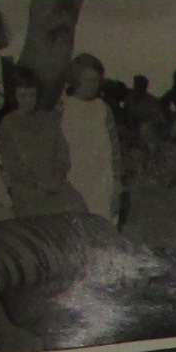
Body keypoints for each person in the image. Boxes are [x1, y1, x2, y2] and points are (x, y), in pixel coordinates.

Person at [0, 70, 82, 215]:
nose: (28, 101)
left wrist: (57, 178)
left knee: (77, 208)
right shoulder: (9, 123)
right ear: (14, 96)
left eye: (32, 95)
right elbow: (12, 165)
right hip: (28, 188)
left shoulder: (48, 119)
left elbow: (62, 154)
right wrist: (40, 184)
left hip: (55, 183)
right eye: (22, 96)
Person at [60, 52, 124, 224]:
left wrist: (116, 186)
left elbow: (114, 150)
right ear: (76, 79)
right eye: (87, 80)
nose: (92, 85)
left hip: (101, 182)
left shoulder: (102, 109)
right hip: (74, 182)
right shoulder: (64, 107)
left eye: (96, 80)